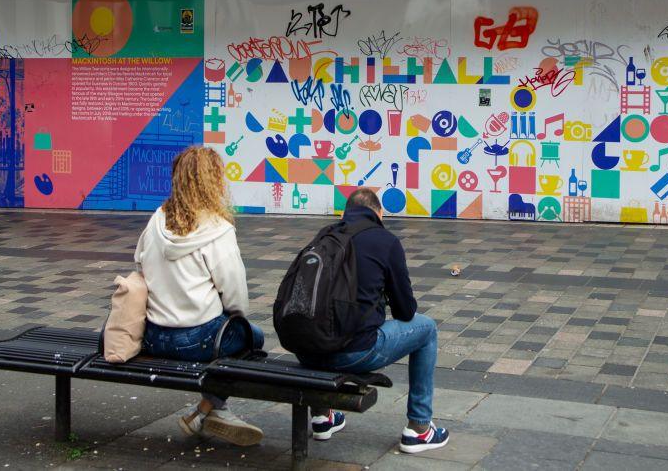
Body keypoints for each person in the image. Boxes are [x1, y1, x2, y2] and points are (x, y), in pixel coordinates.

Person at [294, 188, 449, 453]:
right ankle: (419, 428)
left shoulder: (325, 235)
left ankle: (322, 417)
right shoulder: (385, 240)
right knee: (427, 329)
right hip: (353, 352)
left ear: (346, 212)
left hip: (306, 349)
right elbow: (405, 311)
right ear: (379, 213)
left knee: (326, 326)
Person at [135, 146, 265, 446]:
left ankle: (211, 411)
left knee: (236, 335)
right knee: (253, 338)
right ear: (214, 181)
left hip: (153, 334)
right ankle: (209, 408)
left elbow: (139, 262)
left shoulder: (157, 219)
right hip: (198, 338)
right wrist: (234, 316)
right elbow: (235, 297)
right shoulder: (218, 229)